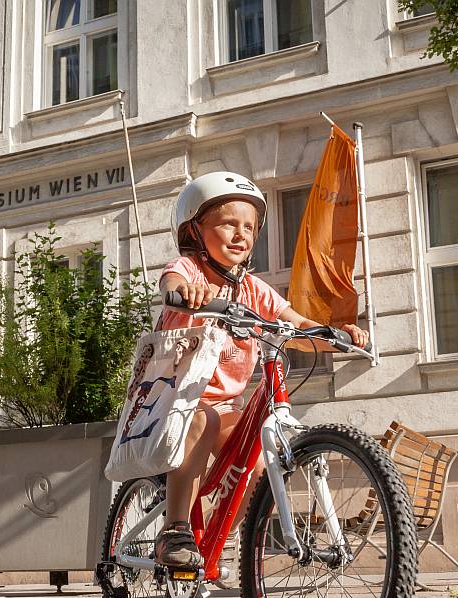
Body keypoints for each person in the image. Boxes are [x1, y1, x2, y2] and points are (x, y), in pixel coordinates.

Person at [154, 171, 369, 569]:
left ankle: (216, 538)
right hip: (177, 401)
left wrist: (335, 335)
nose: (241, 234)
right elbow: (172, 279)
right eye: (228, 224)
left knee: (258, 467)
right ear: (195, 230)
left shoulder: (253, 289)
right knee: (200, 421)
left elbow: (297, 326)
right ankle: (175, 530)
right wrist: (186, 293)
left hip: (224, 408)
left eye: (250, 227)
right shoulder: (190, 270)